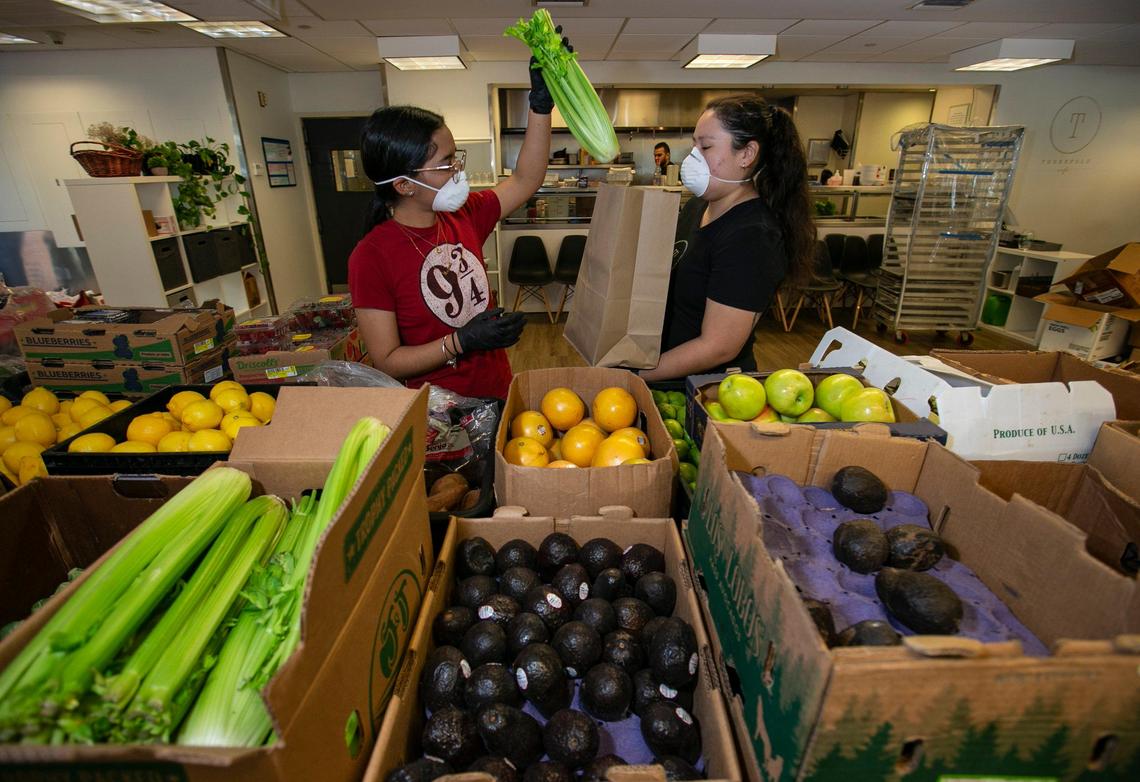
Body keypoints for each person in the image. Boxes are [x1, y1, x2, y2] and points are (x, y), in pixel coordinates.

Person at [348, 59, 556, 399]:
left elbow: (526, 179)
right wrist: (461, 341)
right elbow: (387, 360)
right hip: (441, 416)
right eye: (446, 164)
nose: (459, 170)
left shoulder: (463, 215)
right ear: (404, 185)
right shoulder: (371, 257)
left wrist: (540, 107)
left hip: (497, 390)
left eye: (456, 157)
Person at [641, 95, 815, 381]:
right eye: (694, 145)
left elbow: (719, 347)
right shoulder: (698, 207)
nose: (693, 157)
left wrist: (639, 373)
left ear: (746, 154)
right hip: (664, 372)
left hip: (705, 389)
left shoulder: (753, 235)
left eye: (706, 146)